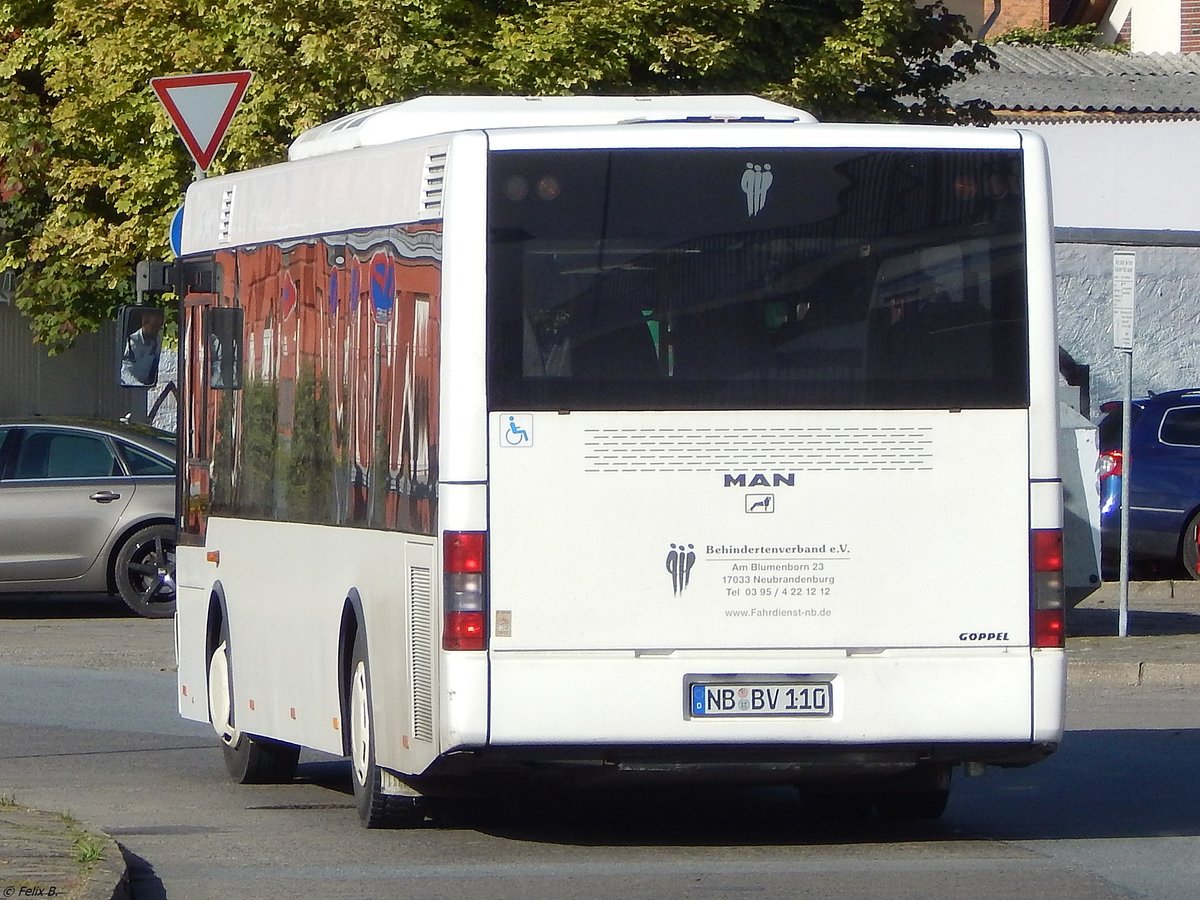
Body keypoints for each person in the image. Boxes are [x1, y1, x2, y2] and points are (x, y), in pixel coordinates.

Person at [121, 308, 164, 386]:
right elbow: (125, 372)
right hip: (132, 387)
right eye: (153, 327)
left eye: (159, 327)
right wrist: (139, 385)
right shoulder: (133, 342)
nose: (156, 331)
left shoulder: (157, 340)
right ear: (144, 323)